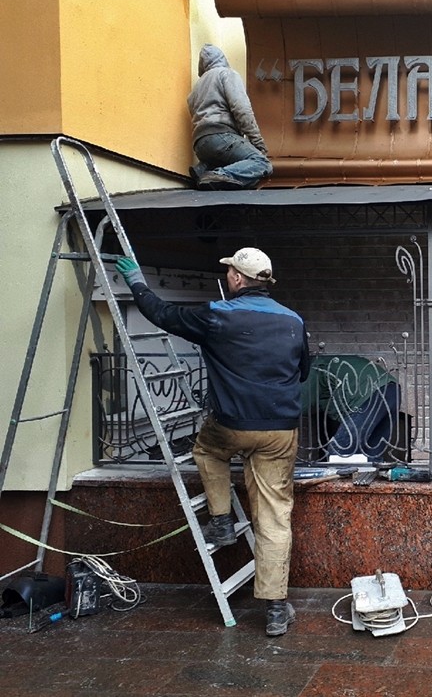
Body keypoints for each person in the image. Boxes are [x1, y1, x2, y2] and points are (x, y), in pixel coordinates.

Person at [115, 248, 309, 636]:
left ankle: (220, 521)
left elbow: (162, 314)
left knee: (206, 450)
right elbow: (304, 371)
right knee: (274, 517)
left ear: (237, 278)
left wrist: (136, 281)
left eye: (230, 272)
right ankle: (275, 610)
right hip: (280, 430)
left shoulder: (217, 315)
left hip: (230, 425)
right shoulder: (294, 319)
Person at [187, 43, 273, 190]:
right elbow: (242, 109)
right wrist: (258, 143)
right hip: (221, 137)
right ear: (222, 58)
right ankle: (217, 174)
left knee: (237, 172)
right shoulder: (226, 74)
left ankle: (204, 169)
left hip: (200, 145)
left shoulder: (195, 89)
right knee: (261, 163)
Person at [304, 355, 401, 462]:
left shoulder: (315, 366)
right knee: (371, 453)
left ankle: (341, 472)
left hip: (370, 394)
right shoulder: (332, 363)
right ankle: (370, 470)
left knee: (340, 450)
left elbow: (303, 403)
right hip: (392, 389)